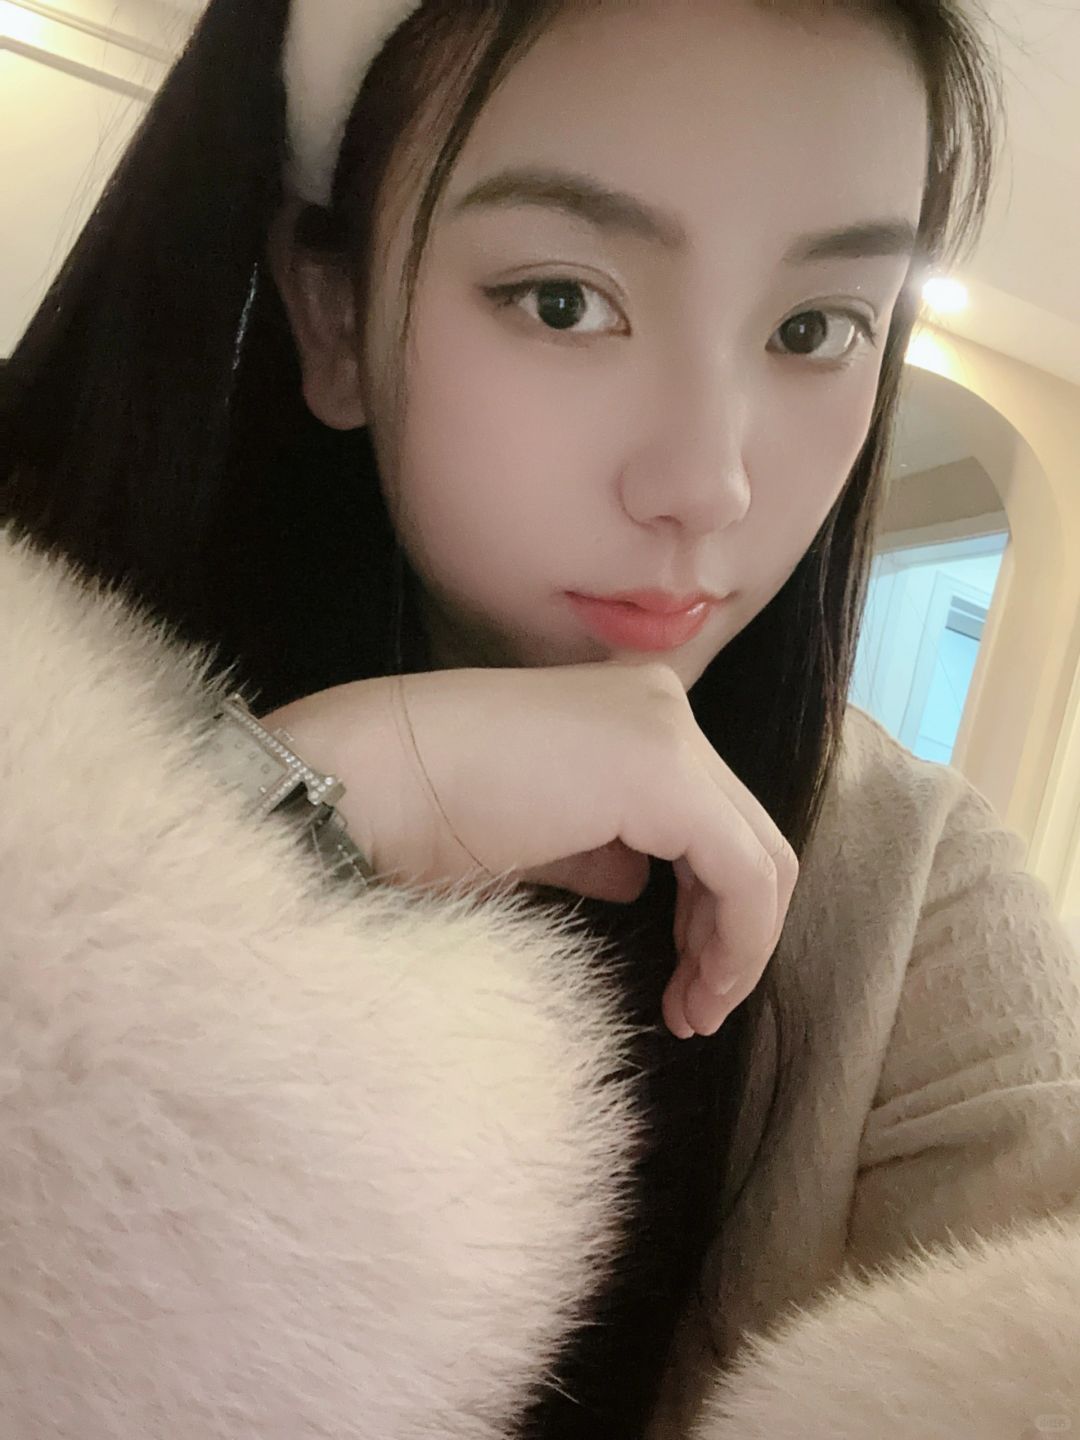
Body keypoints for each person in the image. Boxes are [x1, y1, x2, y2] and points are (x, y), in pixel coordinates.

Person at [1, 0, 1079, 1436]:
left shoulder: (916, 899)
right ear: (335, 315)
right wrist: (275, 829)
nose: (709, 483)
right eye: (564, 300)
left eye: (816, 329)